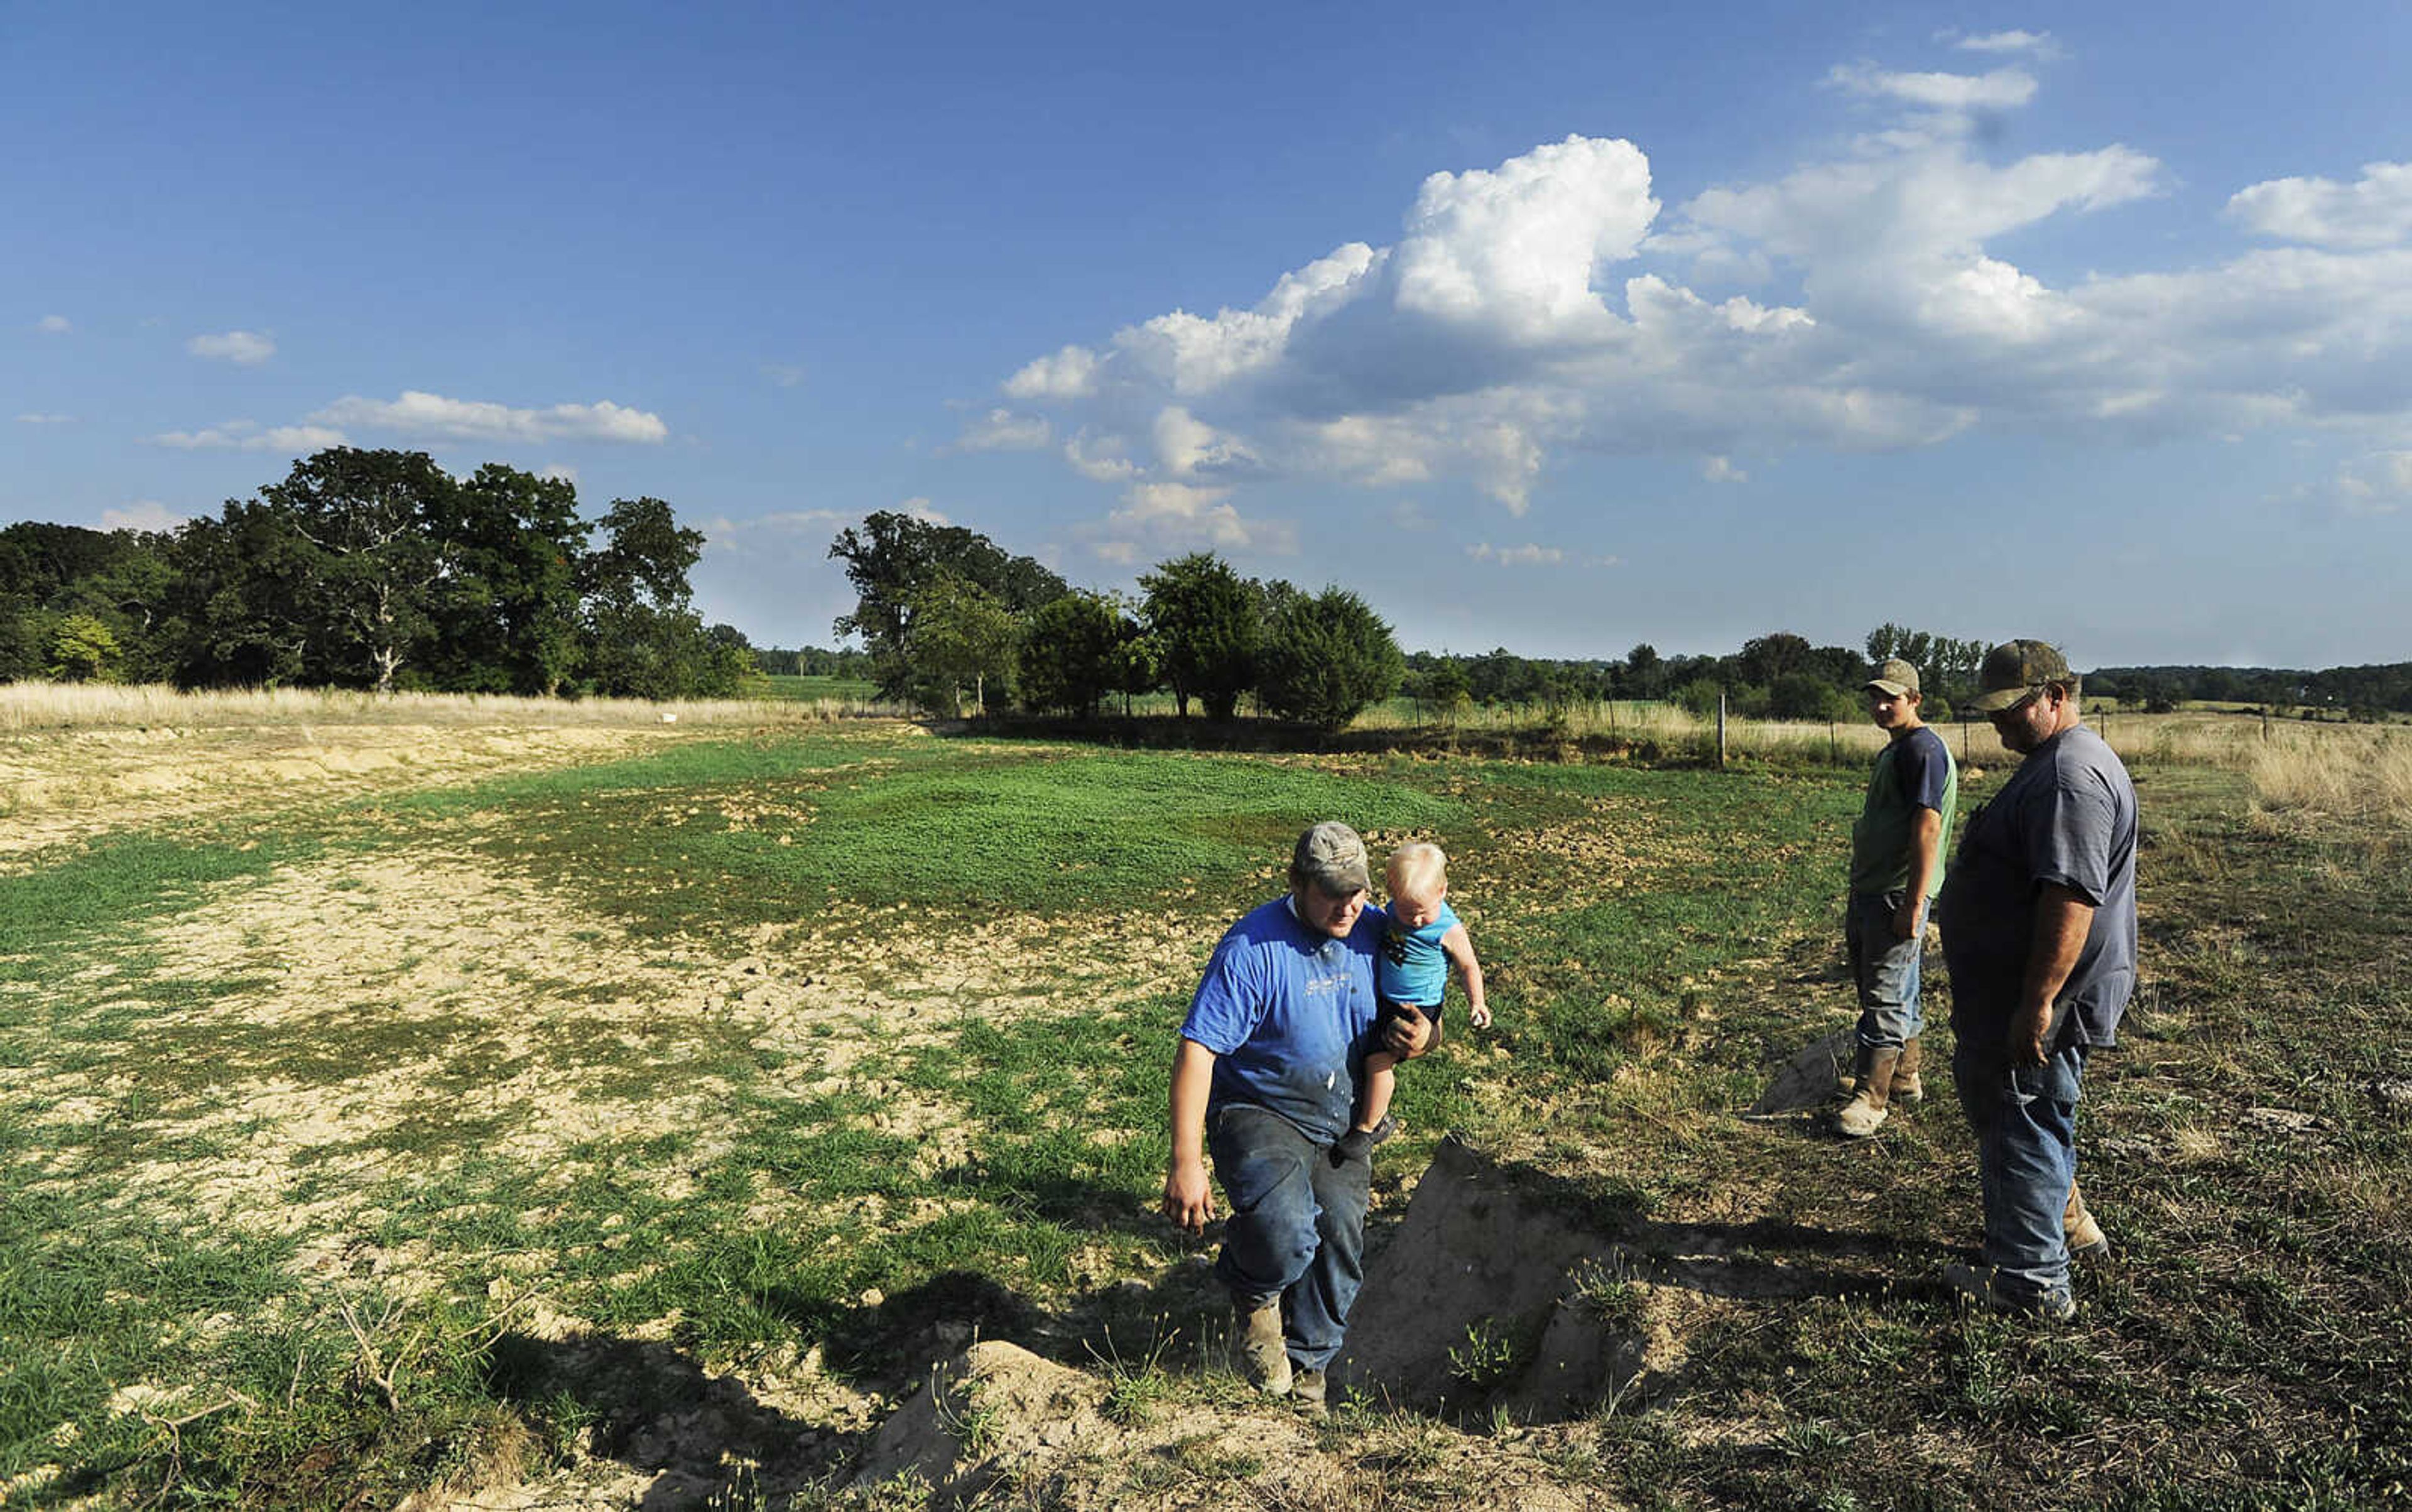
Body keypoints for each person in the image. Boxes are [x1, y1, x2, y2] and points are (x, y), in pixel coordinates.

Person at [1161, 822, 1438, 1412]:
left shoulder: (1379, 933)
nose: (1347, 906)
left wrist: (1424, 1035)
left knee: (1339, 1238)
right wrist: (1187, 1160)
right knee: (1287, 1231)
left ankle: (1310, 1370)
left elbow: (1422, 1010)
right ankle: (1254, 1287)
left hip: (1343, 1119)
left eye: (1357, 891)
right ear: (1297, 882)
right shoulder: (1252, 949)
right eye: (1331, 892)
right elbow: (1198, 1050)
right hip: (1260, 1110)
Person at [1937, 640, 2136, 1320]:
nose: (1999, 724)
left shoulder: (2067, 779)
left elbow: (2070, 898)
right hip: (2027, 994)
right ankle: (2067, 1226)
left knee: (2021, 1117)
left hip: (2040, 1000)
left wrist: (2036, 1001)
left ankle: (2029, 1284)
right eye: (1991, 711)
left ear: (2056, 695)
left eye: (2012, 709)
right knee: (2034, 1113)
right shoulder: (2059, 763)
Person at [1835, 658, 1958, 1138]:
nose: (1882, 706)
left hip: (1894, 894)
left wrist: (1914, 901)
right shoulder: (1901, 747)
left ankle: (1872, 1097)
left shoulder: (1922, 750)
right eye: (1875, 697)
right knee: (1893, 985)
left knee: (1885, 991)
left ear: (1915, 700)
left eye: (1893, 697)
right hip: (1876, 890)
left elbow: (1927, 826)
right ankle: (1904, 1076)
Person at [1337, 842, 1489, 1161]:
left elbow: (1468, 966)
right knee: (1369, 1056)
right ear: (1392, 893)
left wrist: (1477, 1003)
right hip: (1389, 998)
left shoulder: (1446, 928)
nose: (1416, 921)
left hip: (1418, 1007)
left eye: (1423, 913)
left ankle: (1368, 1127)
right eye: (1407, 912)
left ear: (1442, 891)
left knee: (1377, 1061)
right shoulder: (1395, 912)